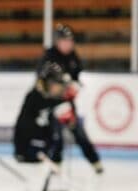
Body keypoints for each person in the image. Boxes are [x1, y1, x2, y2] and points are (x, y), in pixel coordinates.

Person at [39, 23, 103, 175]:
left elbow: (78, 76)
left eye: (70, 41)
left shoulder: (73, 56)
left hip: (68, 102)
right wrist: (59, 88)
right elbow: (41, 81)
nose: (68, 44)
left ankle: (95, 162)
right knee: (56, 135)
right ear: (58, 41)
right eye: (65, 41)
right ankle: (56, 164)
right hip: (53, 103)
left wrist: (75, 86)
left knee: (78, 132)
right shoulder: (49, 56)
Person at [13, 61, 70, 191]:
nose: (59, 88)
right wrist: (35, 144)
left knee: (45, 169)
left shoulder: (50, 98)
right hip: (28, 143)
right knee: (40, 169)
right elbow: (24, 125)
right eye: (56, 84)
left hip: (40, 143)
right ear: (48, 82)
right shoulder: (34, 97)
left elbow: (53, 121)